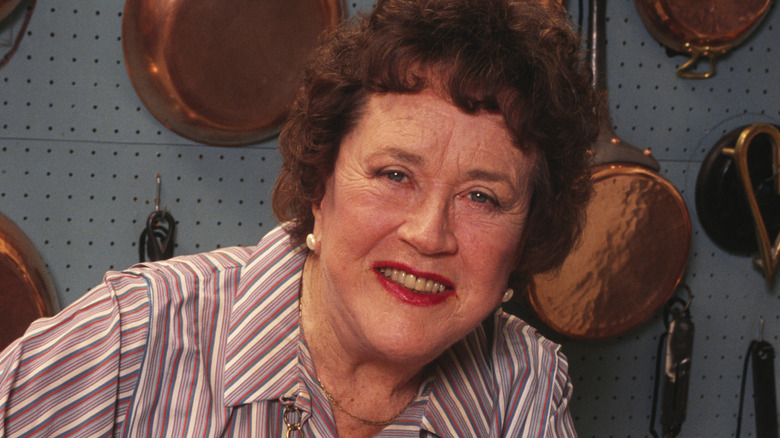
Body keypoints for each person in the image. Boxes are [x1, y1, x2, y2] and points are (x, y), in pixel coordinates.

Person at [0, 0, 598, 436]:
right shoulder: (135, 336)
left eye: (482, 198)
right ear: (320, 181)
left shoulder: (525, 384)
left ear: (526, 234)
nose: (428, 234)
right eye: (395, 175)